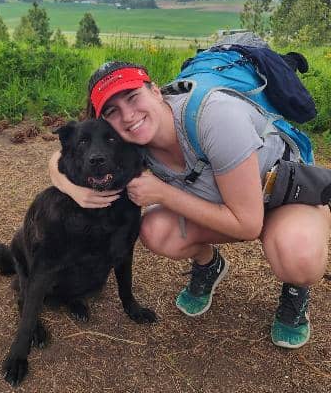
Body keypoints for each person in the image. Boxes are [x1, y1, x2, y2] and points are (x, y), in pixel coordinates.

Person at [49, 54, 330, 349]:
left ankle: (296, 291)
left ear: (155, 91)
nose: (128, 116)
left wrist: (162, 194)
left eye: (133, 97)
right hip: (231, 209)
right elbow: (59, 156)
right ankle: (209, 265)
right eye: (112, 111)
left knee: (299, 255)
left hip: (285, 198)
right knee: (156, 231)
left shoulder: (214, 116)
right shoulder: (130, 140)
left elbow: (248, 226)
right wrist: (73, 189)